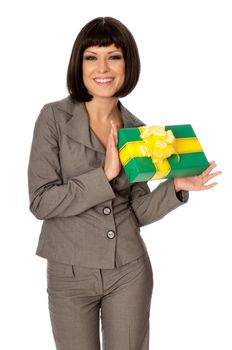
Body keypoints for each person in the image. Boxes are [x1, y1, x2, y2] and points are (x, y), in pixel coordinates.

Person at [27, 16, 221, 350]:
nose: (103, 67)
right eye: (92, 57)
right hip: (70, 273)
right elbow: (41, 202)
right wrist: (102, 175)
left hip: (129, 272)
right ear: (80, 64)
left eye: (113, 56)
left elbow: (138, 211)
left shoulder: (139, 131)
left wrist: (174, 187)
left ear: (127, 64)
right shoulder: (54, 118)